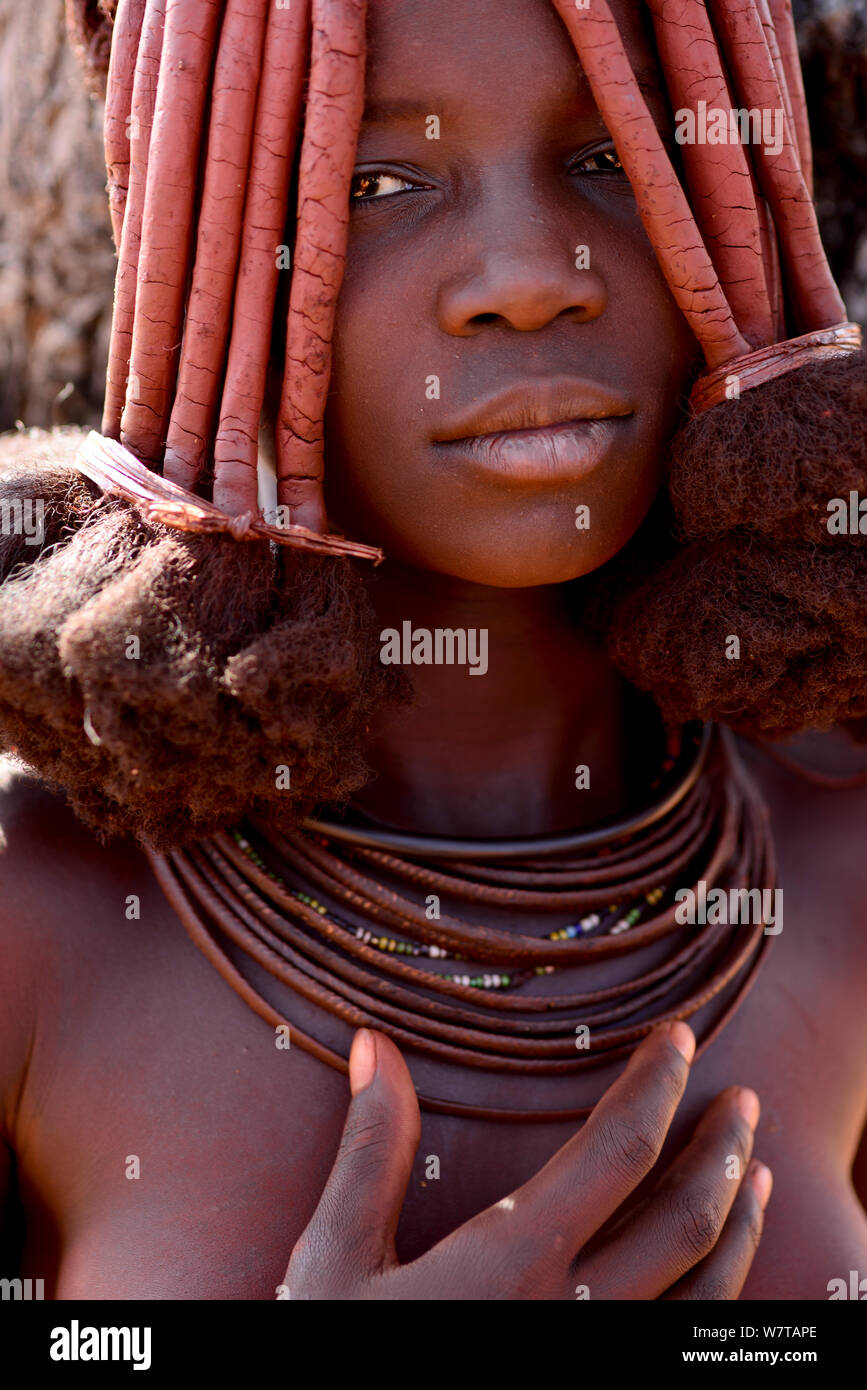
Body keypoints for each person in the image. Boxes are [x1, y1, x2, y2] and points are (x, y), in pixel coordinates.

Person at [0, 0, 865, 1301]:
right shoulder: (42, 927)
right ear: (202, 220)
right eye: (379, 179)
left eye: (617, 160)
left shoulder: (845, 873)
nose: (531, 277)